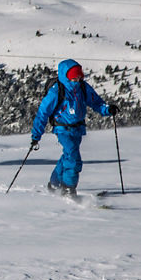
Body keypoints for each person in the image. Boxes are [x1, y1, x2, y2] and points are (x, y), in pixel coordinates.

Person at [30, 59, 117, 197]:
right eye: (74, 77)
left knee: (68, 155)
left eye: (79, 76)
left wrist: (107, 109)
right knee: (73, 158)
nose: (77, 79)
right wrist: (36, 135)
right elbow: (42, 113)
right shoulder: (56, 91)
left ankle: (54, 184)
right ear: (66, 76)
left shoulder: (83, 87)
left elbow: (96, 102)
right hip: (62, 129)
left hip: (77, 129)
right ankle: (68, 188)